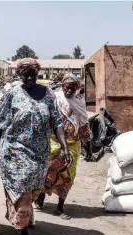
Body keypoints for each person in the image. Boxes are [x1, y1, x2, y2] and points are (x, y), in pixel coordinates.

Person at [0, 58, 70, 235]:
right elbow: (0, 123)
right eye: (24, 74)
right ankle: (23, 230)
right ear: (19, 75)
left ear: (38, 74)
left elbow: (57, 122)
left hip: (39, 152)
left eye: (32, 74)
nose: (28, 77)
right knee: (23, 187)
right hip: (15, 148)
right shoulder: (13, 93)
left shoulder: (48, 94)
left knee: (34, 188)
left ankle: (25, 216)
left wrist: (64, 146)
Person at [35, 73, 90, 220]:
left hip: (73, 144)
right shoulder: (56, 99)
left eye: (72, 88)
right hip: (53, 142)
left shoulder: (79, 103)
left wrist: (88, 145)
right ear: (62, 87)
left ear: (76, 88)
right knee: (46, 170)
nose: (69, 91)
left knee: (68, 175)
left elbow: (84, 124)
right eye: (67, 87)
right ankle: (40, 195)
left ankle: (60, 207)